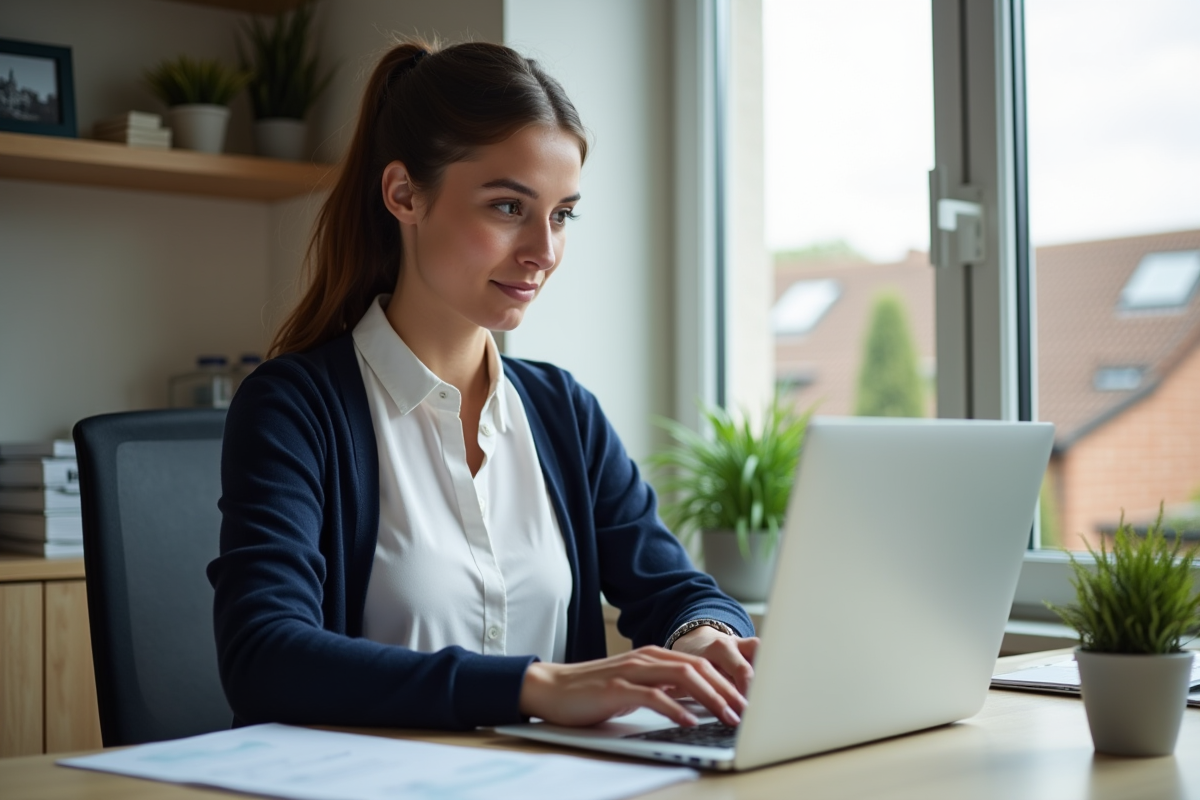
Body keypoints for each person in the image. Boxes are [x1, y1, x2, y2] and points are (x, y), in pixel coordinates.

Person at [208, 39, 758, 733]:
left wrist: (707, 640)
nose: (544, 251)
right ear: (404, 194)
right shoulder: (293, 408)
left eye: (562, 215)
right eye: (508, 207)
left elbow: (673, 587)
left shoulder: (562, 412)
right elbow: (264, 657)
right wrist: (533, 686)